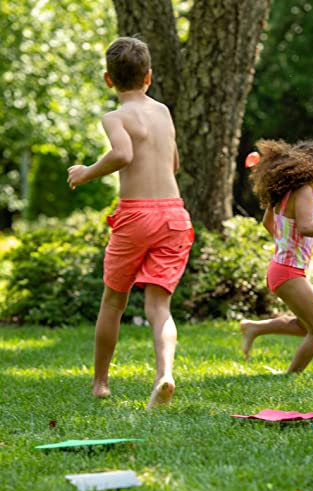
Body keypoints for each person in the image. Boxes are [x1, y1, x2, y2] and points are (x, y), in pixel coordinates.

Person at [67, 37, 194, 408]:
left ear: (108, 80)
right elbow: (174, 164)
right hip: (174, 214)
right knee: (160, 308)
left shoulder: (115, 117)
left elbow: (123, 153)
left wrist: (86, 172)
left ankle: (101, 383)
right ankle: (164, 374)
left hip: (136, 214)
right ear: (149, 77)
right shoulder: (164, 112)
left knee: (113, 303)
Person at [240, 139, 313, 373]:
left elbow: (267, 222)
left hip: (281, 268)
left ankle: (254, 328)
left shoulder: (283, 192)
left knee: (306, 327)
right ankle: (292, 376)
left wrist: (286, 243)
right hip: (288, 272)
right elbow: (306, 227)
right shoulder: (304, 191)